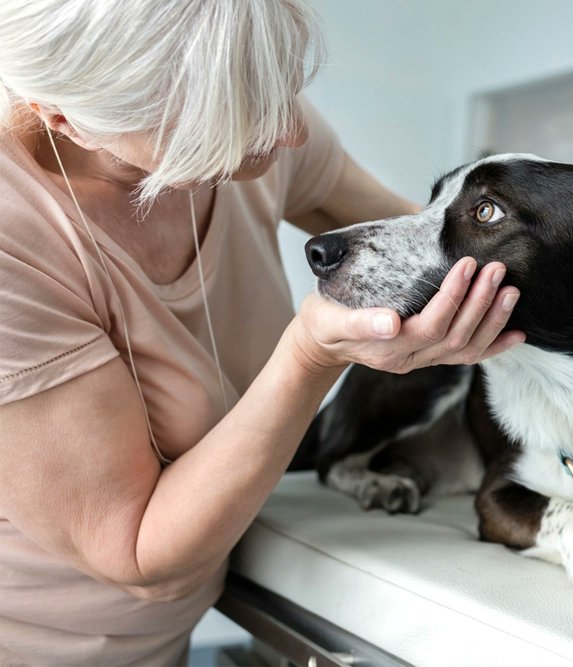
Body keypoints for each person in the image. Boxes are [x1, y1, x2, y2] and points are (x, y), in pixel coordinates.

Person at [0, 1, 524, 663]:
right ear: (61, 112)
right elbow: (135, 546)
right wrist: (310, 356)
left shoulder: (260, 119)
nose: (292, 132)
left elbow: (443, 257)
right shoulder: (13, 240)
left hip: (168, 639)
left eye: (281, 89)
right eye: (228, 121)